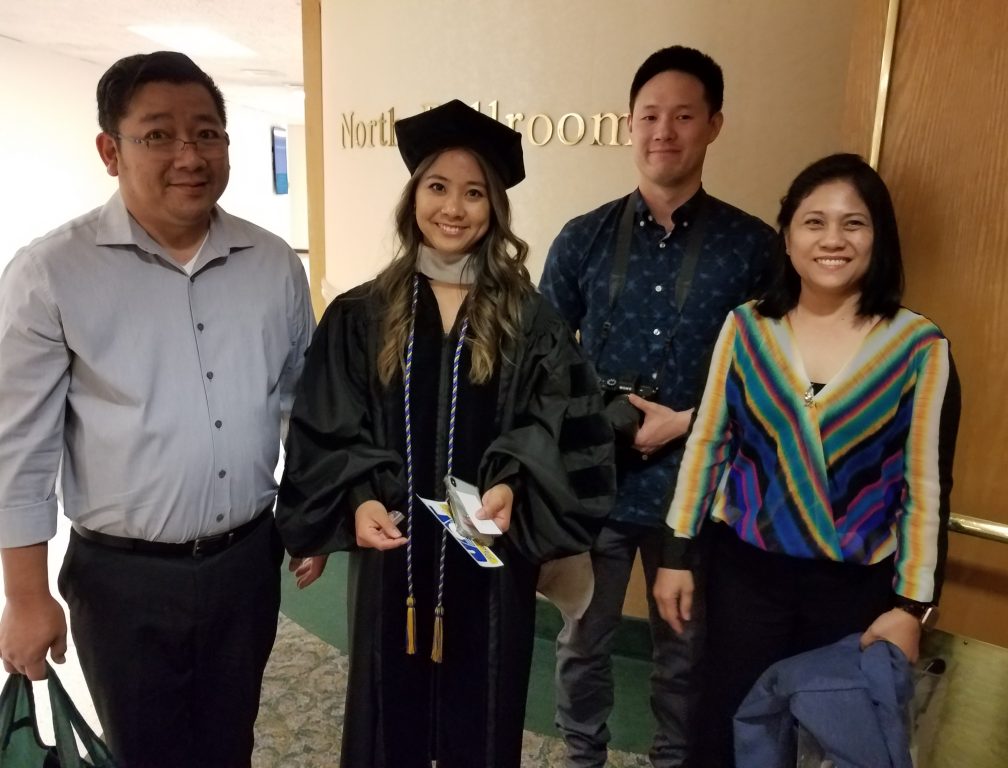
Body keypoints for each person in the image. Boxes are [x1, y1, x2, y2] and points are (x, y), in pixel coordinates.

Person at [275, 99, 616, 768]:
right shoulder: (361, 313)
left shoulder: (530, 320)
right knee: (386, 718)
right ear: (413, 198)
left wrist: (514, 481)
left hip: (488, 556)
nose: (453, 208)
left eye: (474, 192)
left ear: (495, 208)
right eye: (437, 186)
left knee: (481, 716)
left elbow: (558, 424)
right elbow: (329, 424)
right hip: (391, 551)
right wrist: (359, 499)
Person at [0, 51, 315, 767]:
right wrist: (25, 594)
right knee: (146, 753)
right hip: (122, 581)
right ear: (110, 151)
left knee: (230, 742)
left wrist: (312, 515)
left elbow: (301, 405)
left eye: (206, 133)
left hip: (246, 563)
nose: (189, 156)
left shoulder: (273, 264)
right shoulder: (51, 273)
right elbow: (20, 447)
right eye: (158, 135)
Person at [654, 153, 961, 767]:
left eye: (854, 223)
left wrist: (910, 608)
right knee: (725, 731)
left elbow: (926, 489)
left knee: (833, 741)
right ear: (788, 235)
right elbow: (709, 444)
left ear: (879, 237)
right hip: (746, 578)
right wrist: (676, 553)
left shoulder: (919, 348)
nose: (832, 239)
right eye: (814, 222)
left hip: (854, 591)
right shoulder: (746, 328)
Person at [539, 45, 774, 767]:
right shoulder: (581, 237)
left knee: (685, 652)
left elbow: (772, 378)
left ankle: (676, 760)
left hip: (700, 492)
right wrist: (597, 416)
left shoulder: (754, 248)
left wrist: (691, 421)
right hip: (596, 483)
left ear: (714, 125)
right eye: (648, 116)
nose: (662, 131)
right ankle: (582, 756)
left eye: (683, 116)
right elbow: (542, 362)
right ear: (628, 124)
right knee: (583, 640)